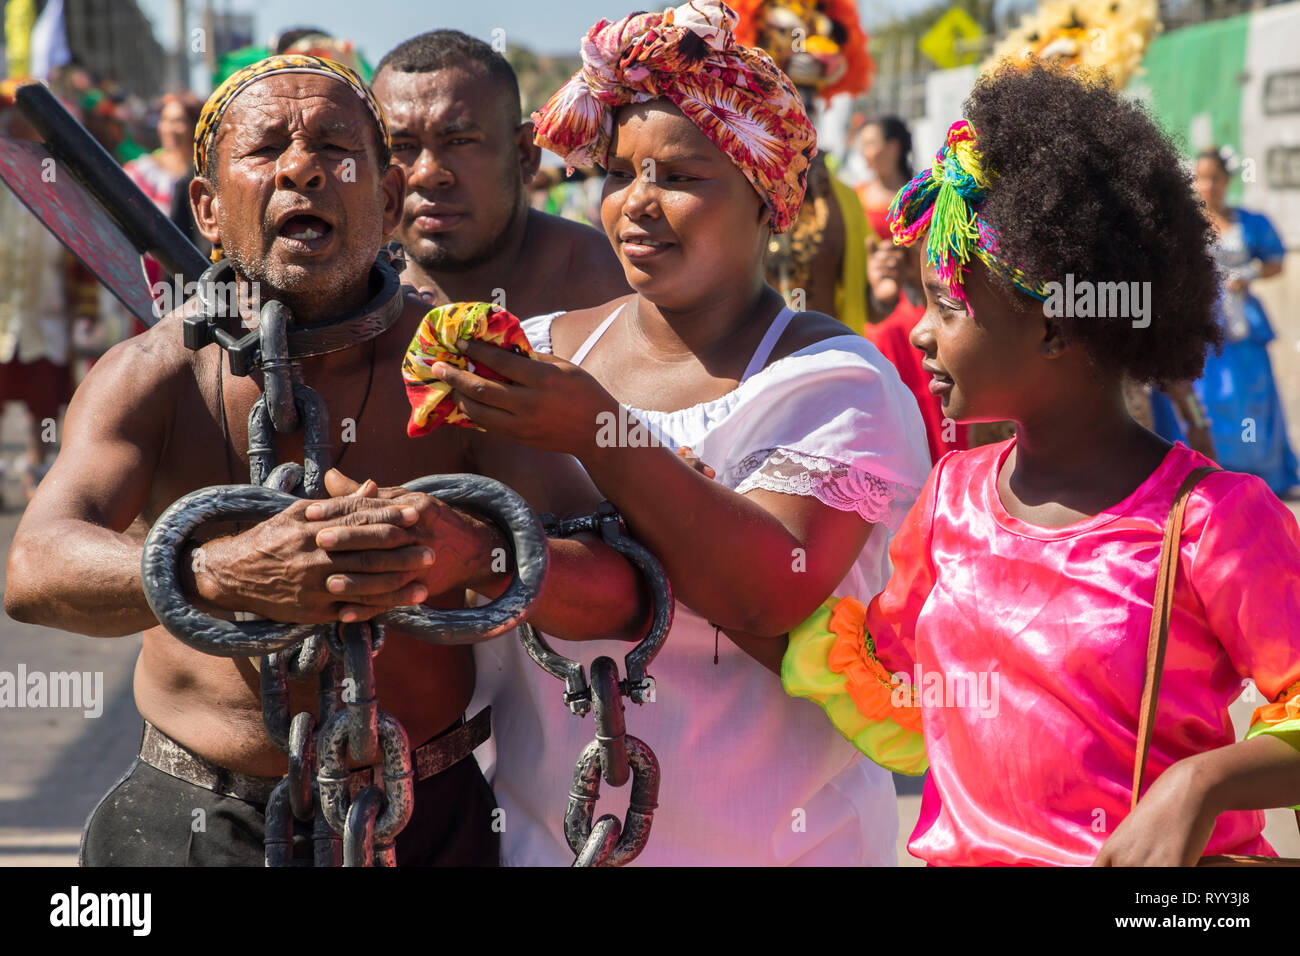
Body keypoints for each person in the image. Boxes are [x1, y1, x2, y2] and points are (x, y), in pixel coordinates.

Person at [4, 54, 650, 867]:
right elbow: (34, 569)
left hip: (427, 820)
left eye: (336, 150)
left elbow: (618, 591)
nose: (303, 168)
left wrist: (472, 554)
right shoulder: (157, 373)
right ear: (206, 207)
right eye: (267, 147)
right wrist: (221, 572)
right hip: (190, 826)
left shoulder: (461, 366)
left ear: (384, 201)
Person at [428, 0, 931, 866]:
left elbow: (768, 593)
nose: (635, 205)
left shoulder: (835, 384)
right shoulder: (541, 352)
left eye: (680, 176)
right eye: (620, 174)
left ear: (776, 196)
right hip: (550, 845)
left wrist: (599, 432)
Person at [783, 64, 1300, 866]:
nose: (921, 334)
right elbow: (876, 667)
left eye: (949, 306)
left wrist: (1201, 786)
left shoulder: (1209, 519)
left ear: (1057, 330)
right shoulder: (947, 501)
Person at [371, 31, 629, 317]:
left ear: (524, 154)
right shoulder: (350, 293)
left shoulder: (609, 285)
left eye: (459, 142)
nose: (427, 174)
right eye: (403, 146)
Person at [1151, 146, 1295, 497]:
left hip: (1241, 326)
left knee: (1248, 400)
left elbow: (1275, 261)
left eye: (1214, 178)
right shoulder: (1183, 224)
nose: (1207, 186)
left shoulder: (1249, 222)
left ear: (1228, 181)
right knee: (1206, 401)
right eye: (1200, 178)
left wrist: (1250, 274)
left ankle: (1258, 474)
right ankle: (1207, 474)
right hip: (1199, 325)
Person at [0, 87, 100, 502]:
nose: (11, 123)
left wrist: (86, 306)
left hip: (47, 311)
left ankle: (37, 469)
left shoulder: (58, 177)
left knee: (44, 399)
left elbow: (82, 245)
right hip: (4, 310)